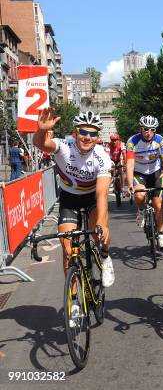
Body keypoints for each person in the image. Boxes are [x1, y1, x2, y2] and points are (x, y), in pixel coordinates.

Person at [33, 108, 114, 326]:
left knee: (100, 235)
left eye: (93, 133)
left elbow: (101, 195)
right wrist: (41, 132)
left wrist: (100, 223)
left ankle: (105, 258)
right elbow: (42, 145)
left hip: (91, 199)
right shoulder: (64, 147)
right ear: (75, 133)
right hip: (69, 199)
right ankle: (75, 299)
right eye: (83, 132)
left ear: (98, 136)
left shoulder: (102, 158)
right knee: (68, 249)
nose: (87, 137)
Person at [126, 115, 163, 248]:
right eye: (146, 129)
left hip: (156, 172)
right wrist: (129, 184)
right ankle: (140, 210)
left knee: (158, 205)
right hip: (139, 173)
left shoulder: (160, 140)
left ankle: (161, 235)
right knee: (139, 195)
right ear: (140, 129)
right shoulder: (132, 142)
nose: (149, 133)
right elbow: (129, 164)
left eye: (152, 130)